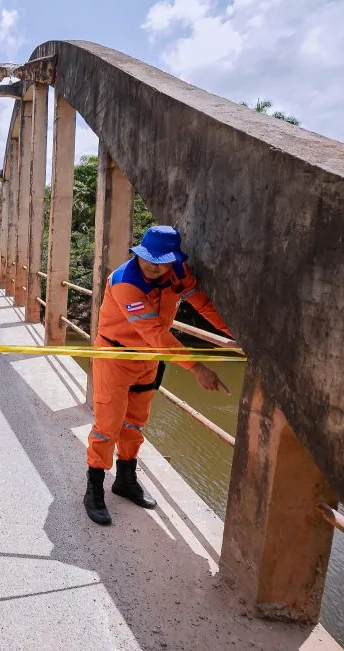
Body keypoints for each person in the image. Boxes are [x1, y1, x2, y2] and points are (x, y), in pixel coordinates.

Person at [84, 225, 232, 525]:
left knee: (136, 422)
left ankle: (125, 480)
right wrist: (197, 367)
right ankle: (94, 488)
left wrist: (234, 334)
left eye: (161, 260)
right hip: (116, 356)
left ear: (173, 259)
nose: (153, 265)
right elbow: (153, 333)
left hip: (148, 359)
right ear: (139, 253)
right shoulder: (126, 282)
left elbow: (201, 303)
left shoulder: (178, 273)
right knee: (107, 425)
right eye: (148, 257)